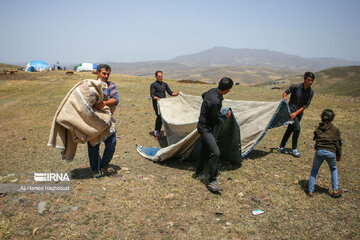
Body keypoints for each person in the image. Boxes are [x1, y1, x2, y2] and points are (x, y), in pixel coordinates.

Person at [194, 77, 233, 192]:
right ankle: (212, 181)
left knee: (205, 149)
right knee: (215, 152)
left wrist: (212, 110)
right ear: (228, 90)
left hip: (203, 125)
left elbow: (203, 95)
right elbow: (216, 121)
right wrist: (225, 117)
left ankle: (198, 172)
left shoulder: (211, 91)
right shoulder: (215, 101)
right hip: (205, 128)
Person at [88, 64, 119, 178]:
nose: (106, 76)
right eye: (104, 73)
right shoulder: (90, 85)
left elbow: (115, 99)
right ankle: (96, 169)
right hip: (93, 119)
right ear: (98, 73)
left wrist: (104, 104)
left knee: (112, 142)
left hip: (107, 119)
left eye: (108, 74)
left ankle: (105, 163)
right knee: (93, 144)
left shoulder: (111, 85)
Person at [277, 72, 315, 157]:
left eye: (311, 81)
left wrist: (296, 113)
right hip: (291, 111)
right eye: (308, 80)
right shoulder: (296, 87)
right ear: (304, 79)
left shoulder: (311, 92)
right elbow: (285, 92)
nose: (310, 82)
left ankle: (281, 147)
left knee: (290, 129)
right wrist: (284, 98)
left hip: (298, 113)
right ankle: (294, 149)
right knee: (297, 129)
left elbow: (305, 105)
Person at [308, 109, 342, 197]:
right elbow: (338, 144)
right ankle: (335, 190)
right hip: (331, 152)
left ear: (321, 117)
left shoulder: (318, 129)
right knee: (333, 169)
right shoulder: (336, 130)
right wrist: (338, 155)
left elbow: (315, 137)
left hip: (319, 151)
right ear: (332, 119)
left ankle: (310, 191)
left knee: (314, 170)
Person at [150, 71, 179, 139]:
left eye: (161, 76)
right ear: (156, 77)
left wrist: (177, 94)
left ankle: (167, 131)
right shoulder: (153, 85)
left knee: (165, 116)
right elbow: (152, 95)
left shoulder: (165, 84)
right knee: (159, 116)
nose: (160, 77)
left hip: (164, 103)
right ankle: (157, 131)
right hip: (157, 103)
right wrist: (157, 98)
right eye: (159, 76)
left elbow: (170, 93)